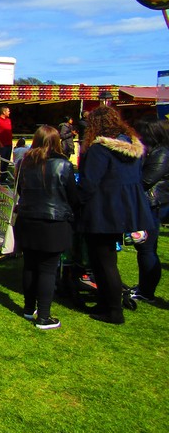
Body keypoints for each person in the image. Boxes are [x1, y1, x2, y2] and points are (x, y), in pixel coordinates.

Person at [76, 106, 152, 324]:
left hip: (103, 210)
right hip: (123, 208)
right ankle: (106, 302)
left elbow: (89, 183)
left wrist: (75, 200)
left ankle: (113, 310)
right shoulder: (131, 149)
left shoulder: (100, 149)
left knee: (104, 261)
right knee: (105, 260)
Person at [14, 125, 79, 330]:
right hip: (53, 222)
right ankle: (43, 316)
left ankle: (28, 308)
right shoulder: (63, 165)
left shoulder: (24, 163)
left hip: (28, 219)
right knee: (47, 270)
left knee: (30, 265)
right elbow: (73, 196)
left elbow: (20, 190)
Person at [128, 116, 169, 303]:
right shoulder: (153, 152)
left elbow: (145, 181)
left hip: (153, 205)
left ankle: (146, 291)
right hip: (149, 204)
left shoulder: (161, 154)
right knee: (145, 248)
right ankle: (144, 287)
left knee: (147, 248)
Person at [0, 106, 13, 184]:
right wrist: (0, 144)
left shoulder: (9, 120)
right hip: (2, 145)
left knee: (6, 162)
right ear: (4, 112)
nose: (9, 112)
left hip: (9, 144)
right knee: (1, 162)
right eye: (8, 111)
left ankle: (4, 178)